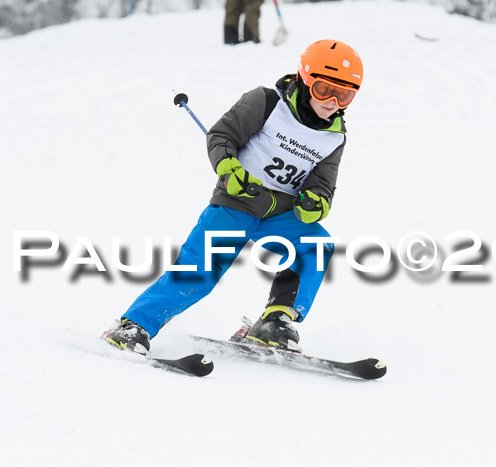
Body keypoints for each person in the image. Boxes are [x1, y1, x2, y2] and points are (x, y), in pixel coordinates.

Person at [103, 40, 364, 355]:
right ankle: (134, 326)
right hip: (237, 203)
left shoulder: (334, 137)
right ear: (304, 79)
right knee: (199, 272)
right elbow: (222, 135)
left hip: (282, 215)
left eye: (345, 94)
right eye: (324, 89)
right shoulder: (266, 103)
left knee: (316, 246)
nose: (333, 101)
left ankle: (275, 320)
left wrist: (316, 202)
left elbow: (324, 183)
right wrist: (229, 169)